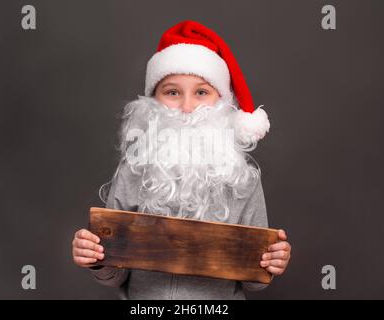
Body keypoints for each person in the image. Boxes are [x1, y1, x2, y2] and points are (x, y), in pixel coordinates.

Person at [72, 20, 291, 299]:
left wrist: (271, 262)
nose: (187, 108)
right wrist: (96, 257)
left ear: (222, 102)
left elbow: (253, 280)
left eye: (201, 92)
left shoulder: (243, 180)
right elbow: (115, 274)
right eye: (172, 92)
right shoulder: (133, 171)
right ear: (152, 103)